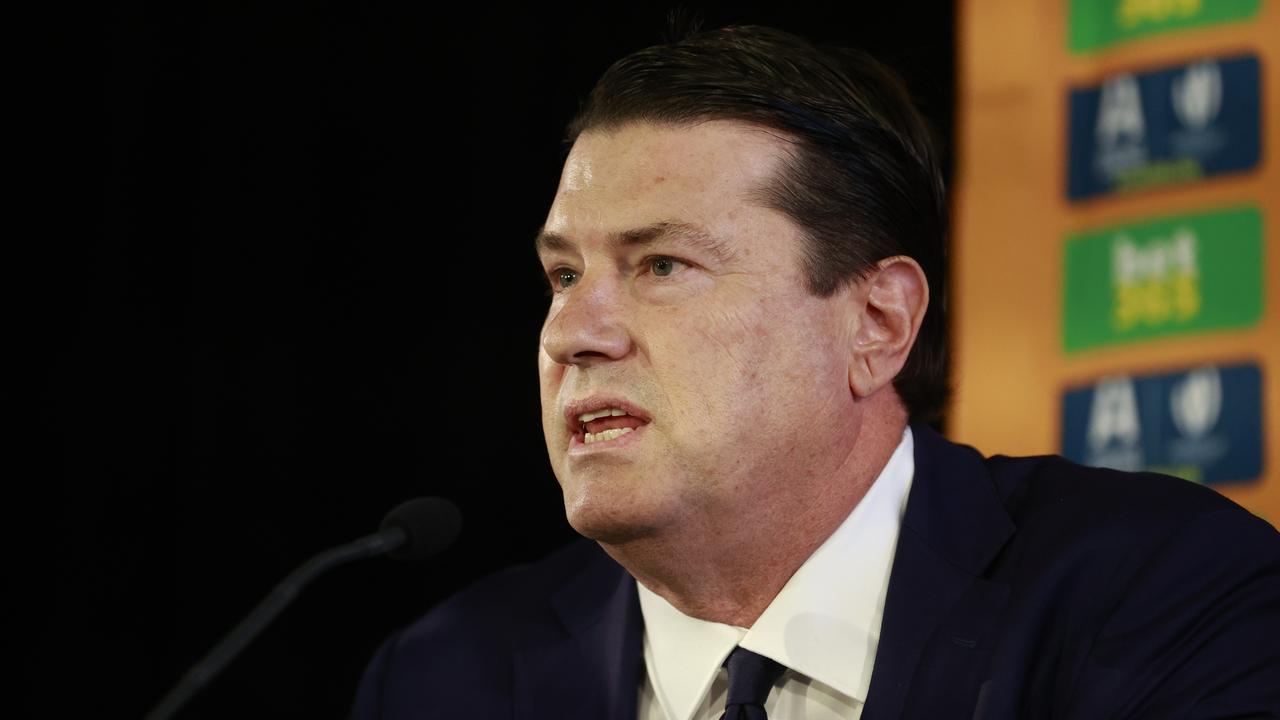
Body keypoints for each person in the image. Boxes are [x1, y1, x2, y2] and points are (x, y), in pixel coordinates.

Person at [353, 24, 1280, 720]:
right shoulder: (444, 679)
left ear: (877, 325)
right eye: (563, 275)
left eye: (661, 266)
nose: (572, 333)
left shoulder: (1168, 597)